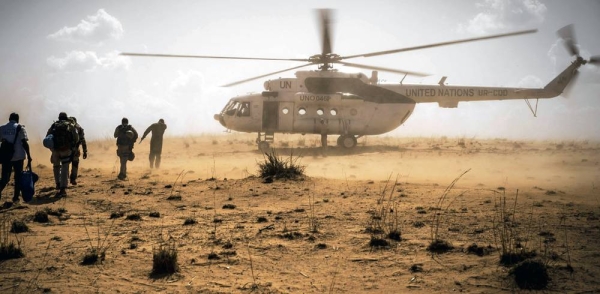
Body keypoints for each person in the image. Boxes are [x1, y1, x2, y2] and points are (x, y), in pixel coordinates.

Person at [0, 113, 33, 203]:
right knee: (18, 178)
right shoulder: (20, 128)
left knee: (4, 179)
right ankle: (15, 198)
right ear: (17, 119)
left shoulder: (2, 128)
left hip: (6, 158)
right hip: (18, 157)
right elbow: (24, 143)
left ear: (9, 118)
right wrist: (29, 156)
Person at [47, 112, 79, 197]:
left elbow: (48, 137)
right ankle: (63, 188)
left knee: (56, 167)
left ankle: (57, 183)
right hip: (65, 149)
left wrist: (52, 149)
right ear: (66, 118)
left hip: (55, 150)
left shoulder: (54, 125)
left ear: (59, 117)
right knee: (65, 167)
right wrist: (71, 147)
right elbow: (76, 138)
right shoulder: (70, 125)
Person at [69, 117, 88, 185]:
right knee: (75, 163)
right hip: (75, 149)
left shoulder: (66, 126)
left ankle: (63, 181)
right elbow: (83, 140)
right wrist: (85, 151)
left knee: (64, 164)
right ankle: (73, 179)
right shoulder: (78, 127)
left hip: (65, 149)